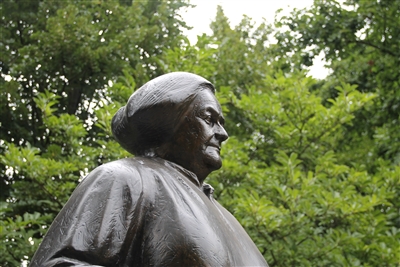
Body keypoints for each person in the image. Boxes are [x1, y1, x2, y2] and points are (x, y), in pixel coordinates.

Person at [30, 72, 268, 266]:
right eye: (209, 119)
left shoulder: (227, 218)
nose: (223, 134)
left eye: (221, 123)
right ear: (172, 123)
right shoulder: (127, 177)